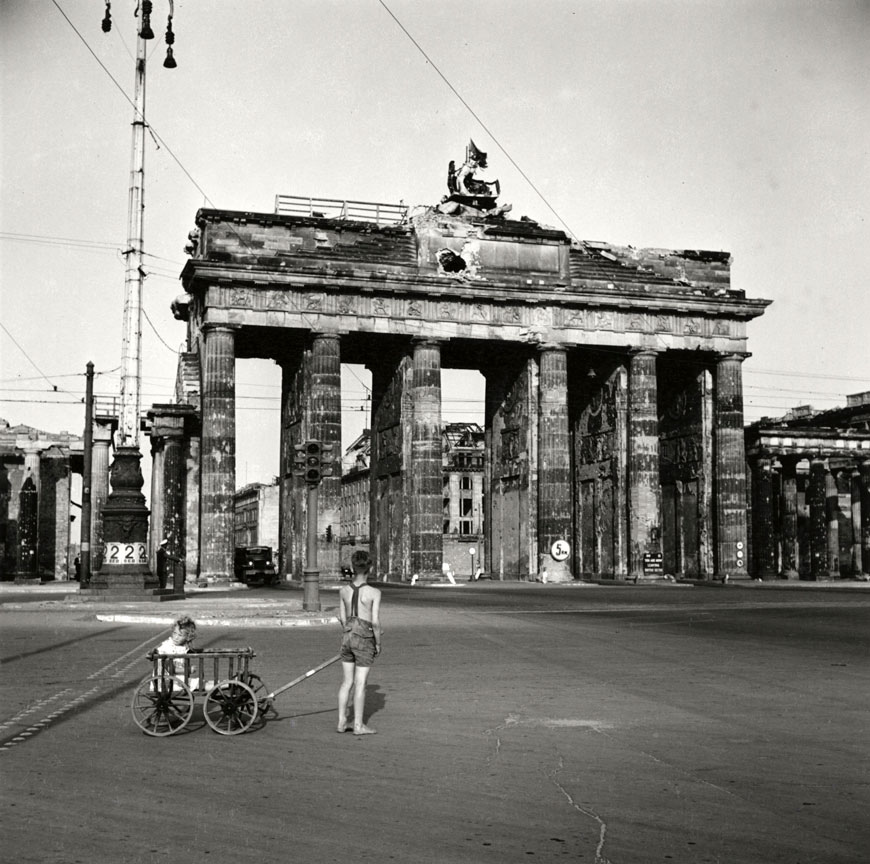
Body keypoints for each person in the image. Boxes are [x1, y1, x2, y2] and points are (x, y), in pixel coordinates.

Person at [337, 550, 381, 735]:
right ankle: (358, 726)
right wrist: (377, 642)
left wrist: (350, 630)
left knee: (347, 682)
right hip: (364, 638)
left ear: (353, 568)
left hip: (347, 636)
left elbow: (341, 617)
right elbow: (375, 622)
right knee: (360, 683)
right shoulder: (374, 592)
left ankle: (341, 722)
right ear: (369, 568)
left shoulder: (344, 591)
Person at [156, 616, 198, 687]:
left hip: (177, 680)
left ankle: (221, 684)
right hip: (168, 682)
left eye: (180, 635)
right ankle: (221, 685)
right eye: (175, 633)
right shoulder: (168, 647)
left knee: (201, 683)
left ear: (188, 637)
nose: (176, 637)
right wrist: (188, 670)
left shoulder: (181, 648)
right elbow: (169, 669)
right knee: (200, 684)